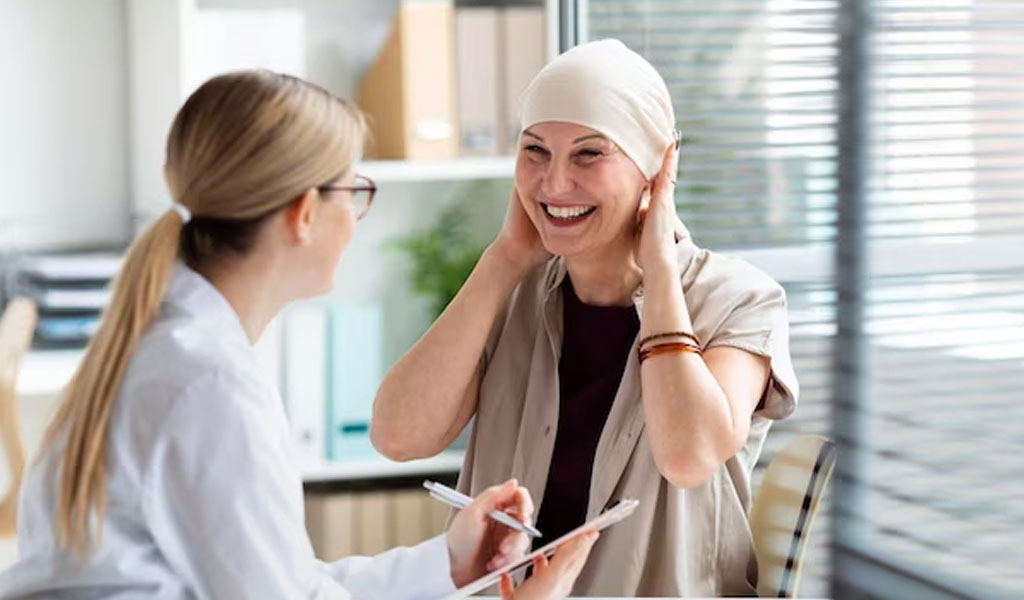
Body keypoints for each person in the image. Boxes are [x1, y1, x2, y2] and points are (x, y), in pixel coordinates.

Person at [0, 70, 597, 600]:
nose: (356, 218)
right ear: (304, 212)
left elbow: (286, 582)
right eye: (354, 191)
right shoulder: (207, 386)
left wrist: (446, 565)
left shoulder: (167, 350)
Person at [371, 39, 799, 596]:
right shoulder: (512, 292)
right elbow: (397, 437)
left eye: (589, 153)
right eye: (535, 151)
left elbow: (689, 455)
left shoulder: (738, 299)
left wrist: (660, 271)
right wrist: (502, 260)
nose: (553, 184)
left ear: (655, 170)